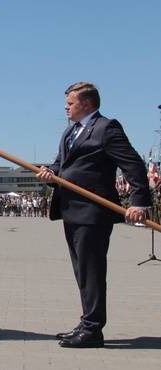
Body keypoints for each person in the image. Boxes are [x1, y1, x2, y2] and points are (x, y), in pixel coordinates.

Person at [36, 82, 150, 348]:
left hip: (93, 212)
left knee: (92, 271)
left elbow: (133, 164)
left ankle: (92, 330)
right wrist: (49, 175)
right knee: (82, 271)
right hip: (71, 210)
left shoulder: (106, 128)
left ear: (86, 104)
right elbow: (60, 165)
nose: (65, 107)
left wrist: (139, 203)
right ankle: (87, 322)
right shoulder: (69, 132)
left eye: (70, 103)